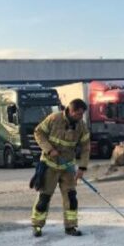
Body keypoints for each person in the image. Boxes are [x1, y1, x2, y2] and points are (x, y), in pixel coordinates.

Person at [31, 98, 90, 237]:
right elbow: (38, 132)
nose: (80, 117)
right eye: (78, 114)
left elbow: (86, 147)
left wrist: (82, 168)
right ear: (71, 110)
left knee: (71, 197)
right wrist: (49, 149)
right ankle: (37, 225)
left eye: (82, 114)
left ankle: (70, 226)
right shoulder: (54, 118)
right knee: (44, 198)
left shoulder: (81, 126)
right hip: (49, 165)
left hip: (67, 168)